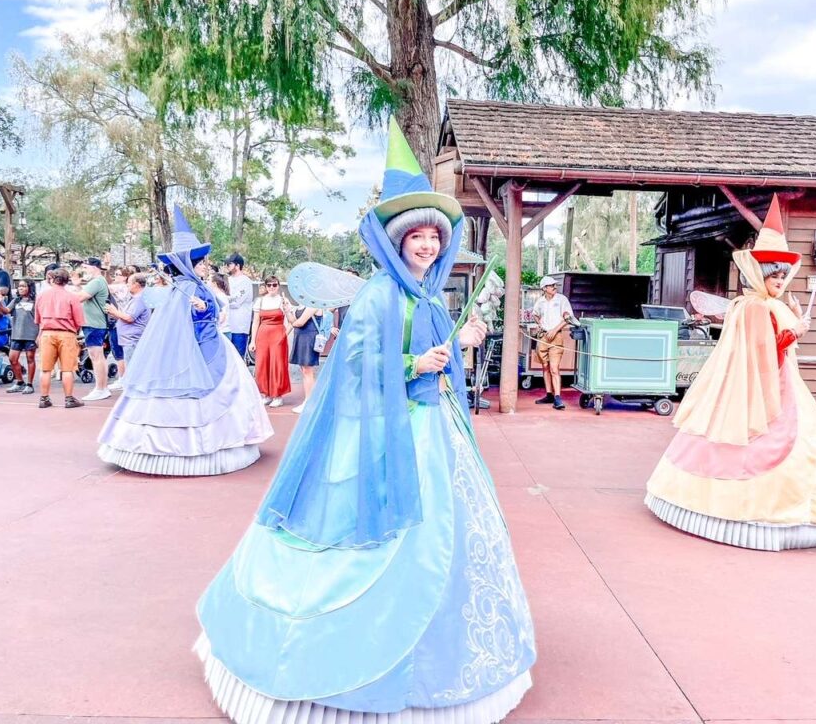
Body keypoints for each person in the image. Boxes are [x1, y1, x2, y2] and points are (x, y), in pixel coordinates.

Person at [196, 119, 535, 724]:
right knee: (370, 544)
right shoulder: (381, 294)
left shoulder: (425, 295)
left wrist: (462, 341)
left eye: (435, 235)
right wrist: (414, 361)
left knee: (445, 545)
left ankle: (443, 654)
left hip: (434, 430)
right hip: (387, 433)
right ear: (396, 241)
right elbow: (354, 366)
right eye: (416, 236)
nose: (427, 245)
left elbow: (438, 355)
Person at [645, 197, 816, 551]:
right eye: (773, 274)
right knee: (772, 442)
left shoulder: (761, 304)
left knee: (805, 441)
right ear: (759, 275)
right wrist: (796, 332)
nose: (778, 280)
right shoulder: (756, 306)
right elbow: (765, 352)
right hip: (763, 388)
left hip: (777, 383)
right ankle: (759, 511)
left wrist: (792, 321)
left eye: (781, 275)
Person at [97, 205, 273, 476]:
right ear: (188, 264)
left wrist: (205, 309)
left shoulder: (195, 286)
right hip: (202, 352)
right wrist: (199, 309)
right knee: (213, 397)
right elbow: (181, 324)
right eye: (200, 262)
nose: (205, 266)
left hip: (212, 346)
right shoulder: (188, 288)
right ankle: (195, 451)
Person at [34, 268, 86, 409]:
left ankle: (44, 398)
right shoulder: (72, 297)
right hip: (67, 333)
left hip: (46, 333)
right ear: (66, 280)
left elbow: (37, 319)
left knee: (45, 369)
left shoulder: (41, 296)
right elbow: (79, 321)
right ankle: (68, 399)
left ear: (52, 279)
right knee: (67, 369)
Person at [531, 274, 573, 410]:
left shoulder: (562, 299)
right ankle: (549, 394)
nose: (555, 287)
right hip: (543, 335)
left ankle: (557, 397)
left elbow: (567, 317)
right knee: (545, 366)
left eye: (555, 285)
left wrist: (555, 330)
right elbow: (535, 314)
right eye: (551, 285)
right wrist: (540, 324)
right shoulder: (540, 301)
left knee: (554, 368)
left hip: (556, 336)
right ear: (544, 288)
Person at [249, 276, 292, 407]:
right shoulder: (260, 301)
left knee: (277, 364)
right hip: (262, 335)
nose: (272, 287)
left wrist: (284, 335)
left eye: (274, 285)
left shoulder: (283, 301)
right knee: (262, 364)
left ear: (278, 286)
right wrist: (252, 341)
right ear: (266, 286)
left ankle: (277, 395)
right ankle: (266, 394)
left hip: (278, 335)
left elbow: (292, 321)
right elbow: (255, 322)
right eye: (269, 285)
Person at [75, 257, 111, 401]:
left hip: (94, 323)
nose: (84, 270)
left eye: (86, 267)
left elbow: (80, 298)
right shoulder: (98, 281)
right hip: (94, 323)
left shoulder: (96, 281)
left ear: (94, 267)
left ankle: (100, 388)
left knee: (96, 356)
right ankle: (102, 387)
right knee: (97, 356)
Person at [288, 303, 328, 414]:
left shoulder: (313, 304)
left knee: (308, 371)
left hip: (309, 338)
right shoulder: (302, 305)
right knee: (304, 370)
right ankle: (311, 400)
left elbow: (299, 322)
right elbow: (293, 321)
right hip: (301, 337)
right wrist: (287, 310)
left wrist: (294, 322)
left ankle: (309, 402)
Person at [105, 273, 151, 367]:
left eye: (129, 283)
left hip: (132, 340)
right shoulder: (136, 298)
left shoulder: (139, 299)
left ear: (136, 284)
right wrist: (114, 313)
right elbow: (126, 317)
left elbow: (130, 318)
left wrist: (114, 311)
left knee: (132, 368)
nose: (127, 285)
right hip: (129, 340)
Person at [5, 279, 39, 394]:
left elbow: (40, 318)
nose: (21, 288)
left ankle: (29, 384)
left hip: (31, 335)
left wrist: (38, 335)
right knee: (12, 359)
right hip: (16, 335)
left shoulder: (36, 301)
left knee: (30, 358)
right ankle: (20, 382)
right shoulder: (15, 301)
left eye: (24, 286)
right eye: (19, 286)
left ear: (30, 287)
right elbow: (5, 311)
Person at [107, 266, 135, 391]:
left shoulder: (122, 288)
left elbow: (105, 286)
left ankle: (123, 378)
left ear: (125, 277)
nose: (116, 277)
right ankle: (124, 377)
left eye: (118, 274)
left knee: (119, 352)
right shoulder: (125, 289)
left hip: (119, 321)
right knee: (121, 351)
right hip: (121, 322)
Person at [224, 254, 254, 359]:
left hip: (239, 327)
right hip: (226, 326)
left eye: (229, 263)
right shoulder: (227, 280)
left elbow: (236, 301)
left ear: (237, 265)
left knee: (238, 358)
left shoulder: (245, 281)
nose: (227, 265)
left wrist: (224, 300)